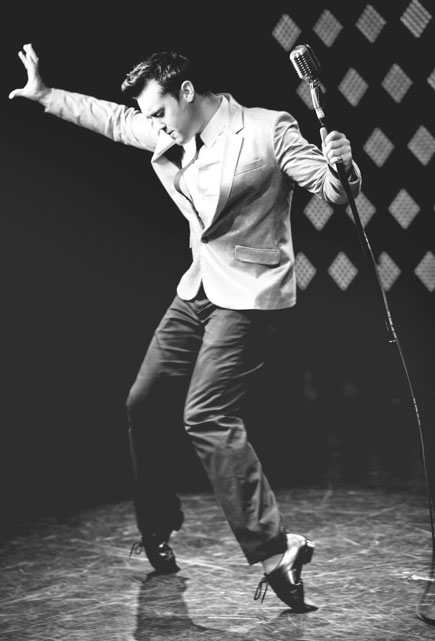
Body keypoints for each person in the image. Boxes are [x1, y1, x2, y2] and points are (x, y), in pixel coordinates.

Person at [9, 43, 361, 612]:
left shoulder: (267, 129)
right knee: (144, 402)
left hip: (247, 295)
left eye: (159, 110)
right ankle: (157, 523)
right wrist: (47, 96)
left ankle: (277, 551)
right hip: (198, 288)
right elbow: (115, 120)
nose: (154, 122)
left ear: (188, 92)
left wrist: (343, 168)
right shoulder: (169, 130)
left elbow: (331, 187)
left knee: (206, 415)